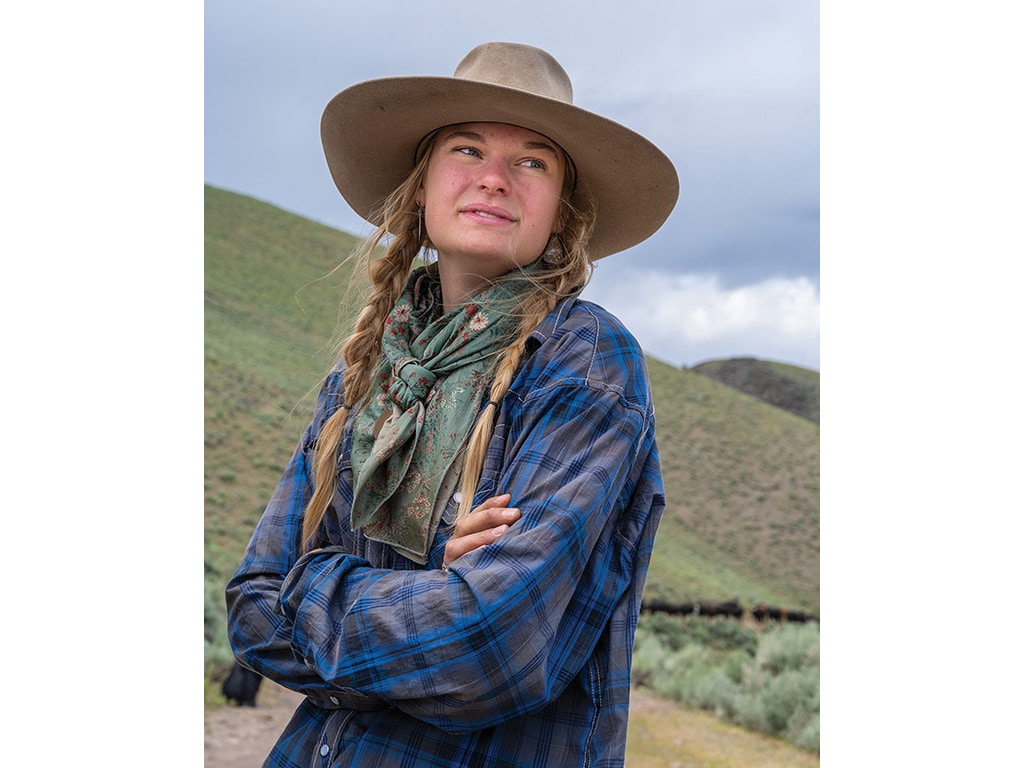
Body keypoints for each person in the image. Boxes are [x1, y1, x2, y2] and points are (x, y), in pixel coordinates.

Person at [225, 41, 679, 768]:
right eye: (467, 149)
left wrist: (313, 585)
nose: (494, 179)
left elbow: (487, 648)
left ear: (562, 211)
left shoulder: (582, 360)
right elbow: (250, 610)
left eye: (533, 161)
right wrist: (432, 586)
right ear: (423, 185)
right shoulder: (364, 373)